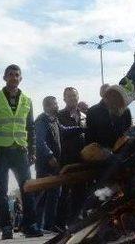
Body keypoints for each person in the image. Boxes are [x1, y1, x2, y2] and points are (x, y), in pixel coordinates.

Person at [0, 65, 43, 240]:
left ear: (21, 78)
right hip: (0, 152)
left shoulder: (27, 100)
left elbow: (30, 128)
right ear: (4, 77)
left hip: (21, 151)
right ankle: (6, 228)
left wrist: (33, 151)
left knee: (27, 189)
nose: (14, 77)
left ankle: (30, 225)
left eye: (17, 75)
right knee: (1, 191)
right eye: (10, 74)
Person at [36, 96, 83, 232]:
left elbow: (64, 130)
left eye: (56, 104)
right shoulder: (42, 120)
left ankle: (49, 225)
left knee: (55, 195)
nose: (57, 106)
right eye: (54, 104)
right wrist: (49, 155)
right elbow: (40, 141)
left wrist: (80, 128)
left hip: (56, 164)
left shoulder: (54, 120)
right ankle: (37, 225)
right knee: (42, 194)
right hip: (46, 164)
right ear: (47, 106)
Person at [55, 87, 87, 228]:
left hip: (83, 158)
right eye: (68, 96)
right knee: (64, 191)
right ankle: (59, 223)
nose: (72, 98)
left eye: (74, 96)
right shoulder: (59, 115)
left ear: (78, 97)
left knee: (80, 191)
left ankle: (76, 221)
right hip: (66, 158)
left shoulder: (85, 116)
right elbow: (61, 134)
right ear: (64, 99)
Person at [85, 84, 133, 149]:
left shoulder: (125, 110)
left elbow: (129, 130)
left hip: (122, 151)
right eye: (105, 92)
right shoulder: (92, 111)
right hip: (101, 153)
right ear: (101, 94)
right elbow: (90, 135)